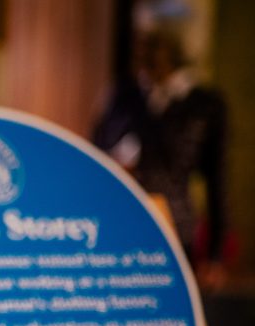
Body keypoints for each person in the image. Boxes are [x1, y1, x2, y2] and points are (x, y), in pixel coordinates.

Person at [93, 29, 228, 287]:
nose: (147, 56)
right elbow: (98, 150)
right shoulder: (125, 96)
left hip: (175, 226)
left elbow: (217, 180)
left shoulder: (204, 104)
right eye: (143, 49)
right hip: (122, 222)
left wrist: (215, 254)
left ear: (175, 53)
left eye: (156, 48)